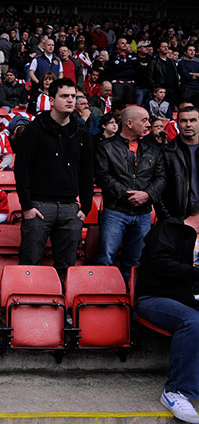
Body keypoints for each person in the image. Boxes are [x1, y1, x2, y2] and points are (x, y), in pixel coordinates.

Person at [14, 78, 94, 281]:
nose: (70, 100)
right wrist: (27, 206)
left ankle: (60, 307)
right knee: (30, 264)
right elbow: (21, 169)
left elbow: (87, 171)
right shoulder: (34, 130)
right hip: (39, 207)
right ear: (51, 100)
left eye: (73, 96)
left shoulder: (82, 132)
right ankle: (25, 306)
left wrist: (85, 207)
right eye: (64, 96)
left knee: (66, 266)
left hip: (70, 208)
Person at [135, 203, 199, 424]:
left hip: (191, 300)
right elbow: (159, 263)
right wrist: (195, 273)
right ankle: (176, 391)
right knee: (192, 321)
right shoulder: (169, 229)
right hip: (156, 298)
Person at [94, 106, 165, 281]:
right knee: (105, 260)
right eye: (145, 120)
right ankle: (103, 300)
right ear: (129, 123)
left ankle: (129, 303)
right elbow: (102, 177)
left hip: (142, 214)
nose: (149, 124)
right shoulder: (105, 147)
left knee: (136, 263)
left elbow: (161, 178)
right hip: (115, 211)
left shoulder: (153, 150)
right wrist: (129, 195)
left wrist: (147, 195)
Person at [159, 106, 199, 219]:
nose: (188, 125)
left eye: (193, 120)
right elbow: (160, 189)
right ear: (177, 124)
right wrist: (168, 218)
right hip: (179, 218)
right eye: (183, 121)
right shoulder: (167, 152)